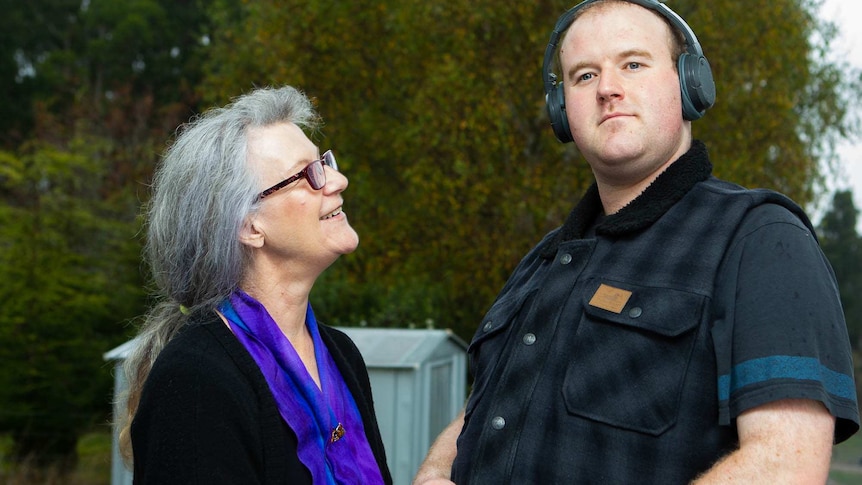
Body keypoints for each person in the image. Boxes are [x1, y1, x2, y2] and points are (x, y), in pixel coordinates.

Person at [413, 0, 859, 483]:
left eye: (632, 64)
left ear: (690, 85)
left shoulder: (759, 239)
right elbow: (484, 409)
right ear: (562, 111)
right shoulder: (540, 263)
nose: (607, 88)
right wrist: (436, 470)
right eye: (584, 76)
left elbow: (784, 465)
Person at [118, 86, 392, 484]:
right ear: (249, 226)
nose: (338, 180)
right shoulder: (196, 379)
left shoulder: (341, 356)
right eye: (307, 174)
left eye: (325, 163)